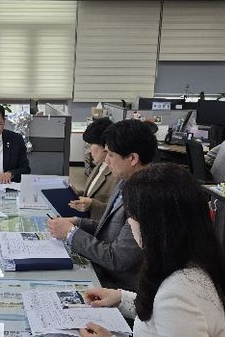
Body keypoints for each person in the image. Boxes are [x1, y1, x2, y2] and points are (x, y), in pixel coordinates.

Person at [78, 163, 225, 337]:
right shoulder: (189, 262)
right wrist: (121, 298)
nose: (130, 224)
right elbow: (165, 318)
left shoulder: (179, 293)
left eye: (132, 217)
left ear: (154, 225)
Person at [47, 120, 156, 291]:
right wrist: (78, 222)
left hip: (118, 286)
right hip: (101, 269)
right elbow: (113, 227)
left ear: (133, 158)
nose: (106, 160)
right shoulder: (124, 182)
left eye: (111, 155)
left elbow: (117, 259)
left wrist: (70, 233)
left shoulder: (147, 197)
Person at [68, 117, 119, 219]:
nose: (89, 150)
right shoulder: (99, 166)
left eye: (91, 145)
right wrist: (77, 194)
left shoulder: (117, 173)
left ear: (104, 145)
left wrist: (92, 205)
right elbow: (91, 194)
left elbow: (118, 212)